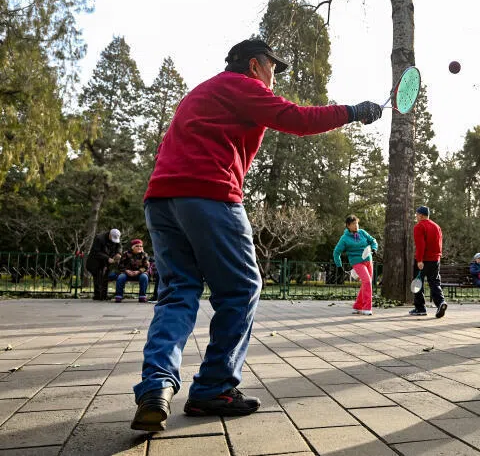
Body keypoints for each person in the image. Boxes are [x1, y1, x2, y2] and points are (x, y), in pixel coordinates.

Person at [130, 39, 383, 432]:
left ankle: (156, 386)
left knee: (177, 292)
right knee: (242, 288)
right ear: (254, 65)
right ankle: (214, 386)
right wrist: (353, 111)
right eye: (272, 68)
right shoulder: (244, 87)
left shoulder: (200, 91)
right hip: (209, 194)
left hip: (161, 199)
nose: (274, 78)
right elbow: (298, 119)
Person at [333, 215, 378, 316]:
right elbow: (336, 252)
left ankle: (357, 306)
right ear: (348, 226)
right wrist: (339, 266)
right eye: (353, 224)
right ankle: (367, 308)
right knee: (367, 281)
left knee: (366, 283)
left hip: (368, 260)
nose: (356, 225)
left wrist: (374, 249)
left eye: (357, 223)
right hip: (356, 262)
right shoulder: (344, 238)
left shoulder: (362, 232)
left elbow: (373, 240)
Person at [410, 206, 447, 318]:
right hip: (435, 259)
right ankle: (441, 302)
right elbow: (439, 244)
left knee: (417, 283)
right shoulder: (437, 226)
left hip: (423, 260)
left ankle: (420, 308)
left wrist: (420, 260)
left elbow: (420, 245)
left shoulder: (419, 226)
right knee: (435, 282)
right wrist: (438, 257)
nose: (416, 216)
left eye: (416, 214)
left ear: (421, 215)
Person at [86, 228, 122, 301]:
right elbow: (96, 252)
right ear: (109, 235)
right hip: (95, 261)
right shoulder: (99, 238)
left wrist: (118, 253)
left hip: (106, 261)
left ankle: (104, 295)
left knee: (105, 277)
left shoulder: (116, 236)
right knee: (98, 277)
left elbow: (119, 246)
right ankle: (98, 295)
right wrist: (108, 258)